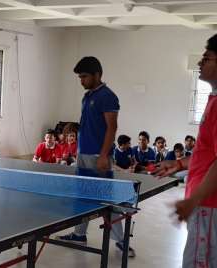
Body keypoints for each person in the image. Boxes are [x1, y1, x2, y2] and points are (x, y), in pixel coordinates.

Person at [57, 56, 135, 257]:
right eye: (79, 77)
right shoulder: (88, 96)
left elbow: (112, 127)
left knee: (106, 200)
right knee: (82, 197)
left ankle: (122, 241)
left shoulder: (107, 96)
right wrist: (75, 127)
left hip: (97, 157)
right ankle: (79, 234)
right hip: (83, 153)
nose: (81, 80)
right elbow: (91, 123)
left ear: (97, 75)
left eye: (84, 76)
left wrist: (103, 155)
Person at [153, 34, 217, 268]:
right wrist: (179, 164)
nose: (200, 63)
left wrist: (194, 200)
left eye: (207, 58)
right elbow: (207, 153)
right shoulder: (212, 99)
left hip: (209, 205)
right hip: (202, 204)